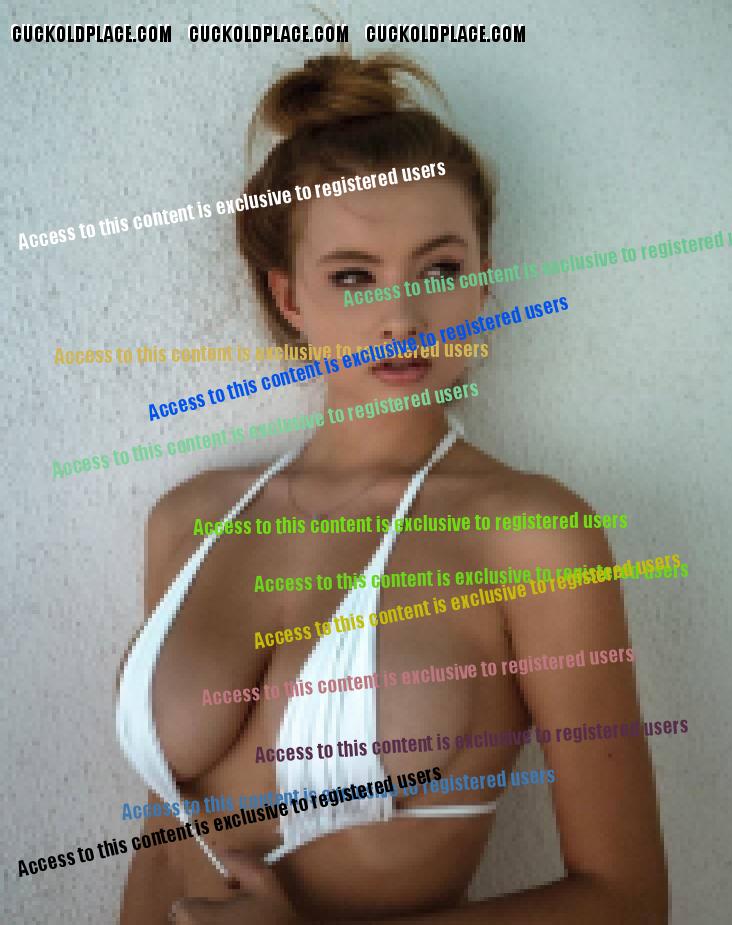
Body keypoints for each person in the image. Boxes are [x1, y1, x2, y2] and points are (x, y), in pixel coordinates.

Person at [116, 52, 668, 924]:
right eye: (354, 275)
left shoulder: (533, 536)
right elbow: (161, 838)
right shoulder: (190, 520)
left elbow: (627, 900)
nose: (401, 318)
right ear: (289, 296)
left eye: (440, 269)